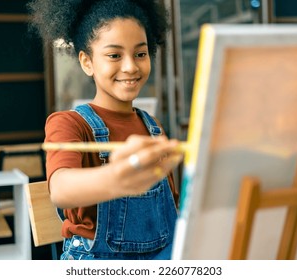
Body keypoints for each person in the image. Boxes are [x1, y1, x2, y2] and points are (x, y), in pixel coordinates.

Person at [27, 0, 183, 260]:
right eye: (114, 55)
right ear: (87, 62)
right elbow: (61, 191)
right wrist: (117, 178)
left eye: (141, 54)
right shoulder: (68, 123)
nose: (131, 66)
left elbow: (171, 210)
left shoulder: (154, 128)